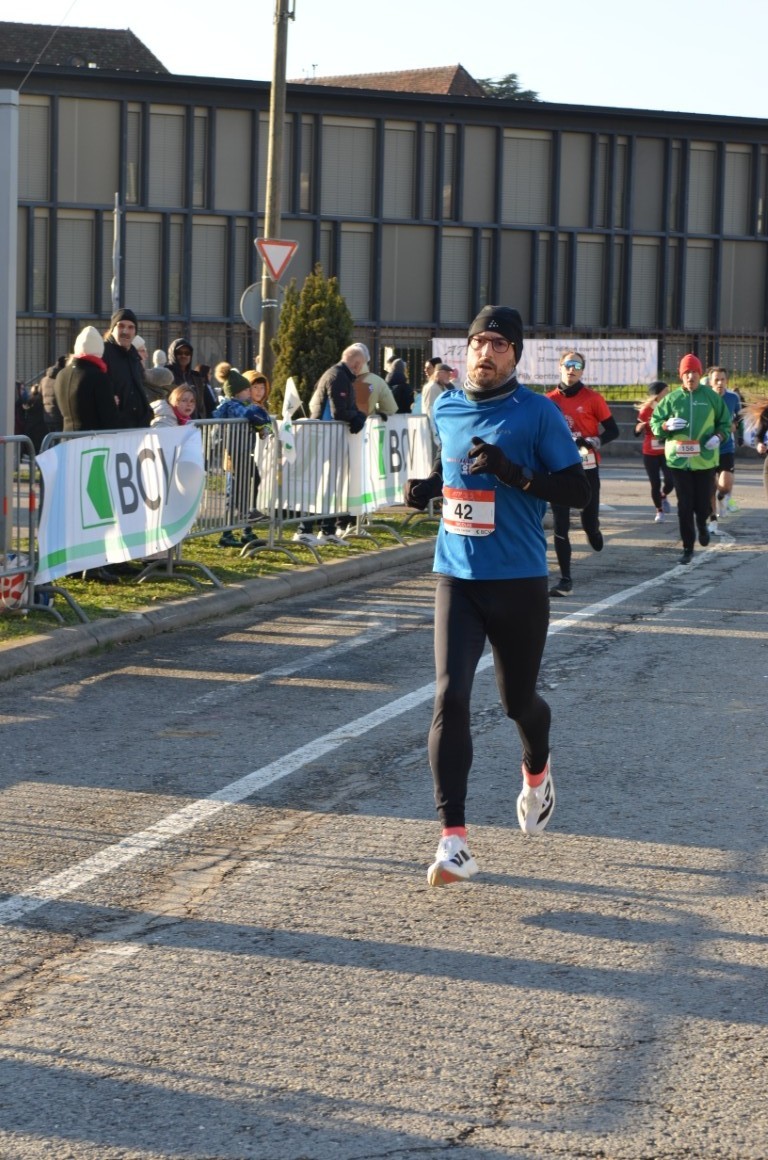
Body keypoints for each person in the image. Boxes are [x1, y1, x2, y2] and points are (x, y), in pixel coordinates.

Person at [403, 305, 590, 886]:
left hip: (518, 580)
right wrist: (428, 488)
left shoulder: (537, 412)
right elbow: (456, 474)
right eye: (478, 342)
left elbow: (577, 490)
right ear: (466, 350)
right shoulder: (446, 406)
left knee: (517, 703)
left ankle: (537, 768)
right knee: (450, 696)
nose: (486, 352)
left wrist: (516, 474)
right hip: (456, 577)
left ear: (516, 355)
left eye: (499, 344)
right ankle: (453, 840)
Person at [545, 351, 619, 597]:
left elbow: (613, 430)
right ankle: (565, 579)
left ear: (582, 370)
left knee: (588, 518)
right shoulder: (548, 400)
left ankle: (593, 530)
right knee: (561, 523)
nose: (572, 369)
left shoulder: (593, 398)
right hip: (559, 468)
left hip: (587, 467)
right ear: (560, 367)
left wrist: (594, 441)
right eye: (568, 364)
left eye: (577, 365)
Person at [650, 354, 732, 565]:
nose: (690, 376)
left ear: (700, 374)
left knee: (702, 504)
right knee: (684, 505)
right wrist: (665, 426)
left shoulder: (711, 397)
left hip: (704, 460)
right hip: (678, 461)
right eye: (686, 373)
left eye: (694, 372)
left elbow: (725, 423)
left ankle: (703, 524)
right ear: (681, 376)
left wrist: (719, 436)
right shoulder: (672, 399)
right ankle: (688, 548)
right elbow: (655, 423)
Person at [295, 344, 368, 546]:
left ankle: (327, 529)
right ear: (356, 363)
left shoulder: (338, 375)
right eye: (361, 366)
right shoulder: (338, 376)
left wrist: (357, 415)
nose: (361, 370)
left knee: (330, 486)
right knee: (319, 484)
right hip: (325, 437)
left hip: (329, 437)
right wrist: (357, 416)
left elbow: (343, 408)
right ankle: (305, 530)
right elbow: (339, 411)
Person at [213, 363, 272, 548]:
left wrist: (261, 425)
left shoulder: (246, 404)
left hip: (244, 453)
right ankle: (227, 533)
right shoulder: (235, 406)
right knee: (234, 493)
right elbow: (247, 415)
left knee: (250, 484)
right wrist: (259, 417)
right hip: (234, 455)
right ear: (239, 392)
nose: (254, 392)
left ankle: (247, 526)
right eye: (250, 388)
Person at [54, 326, 124, 433]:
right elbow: (109, 419)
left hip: (66, 438)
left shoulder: (61, 375)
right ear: (100, 351)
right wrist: (112, 403)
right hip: (91, 440)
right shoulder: (99, 377)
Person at [102, 307, 153, 428]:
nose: (125, 331)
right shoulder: (103, 352)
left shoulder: (134, 355)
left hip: (138, 427)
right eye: (121, 326)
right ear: (112, 329)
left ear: (135, 332)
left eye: (131, 327)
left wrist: (147, 413)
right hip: (114, 430)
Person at [706, 366, 741, 533]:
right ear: (710, 382)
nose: (720, 383)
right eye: (716, 380)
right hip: (707, 449)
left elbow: (739, 417)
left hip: (726, 447)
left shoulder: (733, 398)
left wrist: (736, 425)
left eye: (723, 379)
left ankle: (722, 496)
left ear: (727, 381)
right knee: (709, 487)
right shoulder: (705, 397)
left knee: (725, 486)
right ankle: (712, 520)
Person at [634, 381, 675, 522]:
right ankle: (659, 510)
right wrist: (639, 427)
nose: (668, 393)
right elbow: (636, 431)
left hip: (666, 451)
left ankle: (663, 495)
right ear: (657, 394)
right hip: (650, 453)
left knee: (671, 481)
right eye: (665, 391)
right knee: (655, 483)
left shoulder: (670, 407)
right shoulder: (646, 410)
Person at [167, 339, 209, 418]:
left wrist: (200, 420)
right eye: (179, 353)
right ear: (173, 354)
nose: (183, 356)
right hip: (172, 422)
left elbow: (201, 405)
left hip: (193, 422)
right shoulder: (166, 374)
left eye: (187, 353)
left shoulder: (196, 377)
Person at [421, 361, 453, 439]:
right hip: (433, 430)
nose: (449, 375)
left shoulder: (442, 387)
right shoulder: (432, 388)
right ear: (438, 374)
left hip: (441, 427)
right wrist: (435, 432)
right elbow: (429, 410)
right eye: (446, 373)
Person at [39, 355, 66, 434]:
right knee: (59, 438)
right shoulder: (61, 379)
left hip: (47, 415)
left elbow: (40, 395)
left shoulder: (44, 380)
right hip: (59, 415)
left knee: (51, 437)